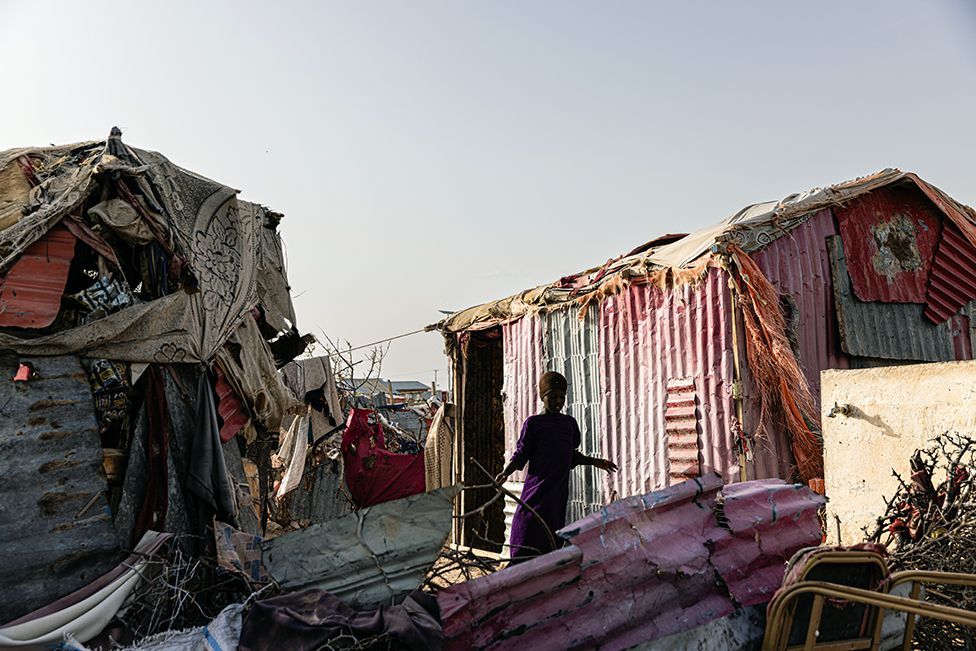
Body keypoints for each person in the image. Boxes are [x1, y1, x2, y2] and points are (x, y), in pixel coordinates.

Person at [494, 371, 617, 563]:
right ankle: (516, 570)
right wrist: (505, 473)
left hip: (557, 494)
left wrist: (594, 461)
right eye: (552, 396)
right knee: (527, 526)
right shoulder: (534, 424)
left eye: (561, 397)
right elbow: (522, 454)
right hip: (537, 490)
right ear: (543, 397)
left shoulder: (569, 424)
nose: (558, 401)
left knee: (552, 534)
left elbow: (568, 455)